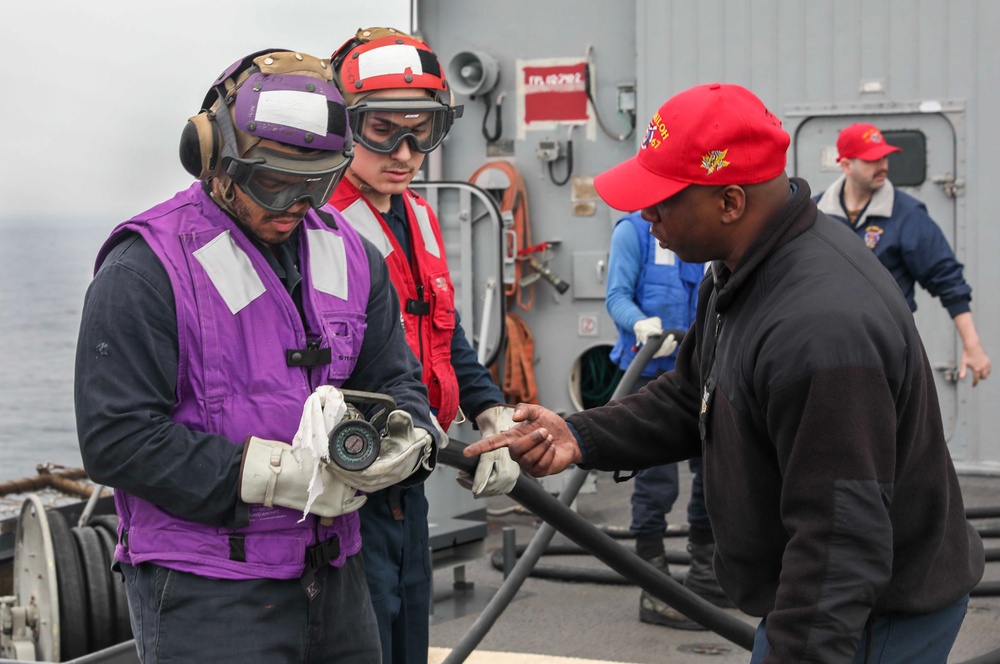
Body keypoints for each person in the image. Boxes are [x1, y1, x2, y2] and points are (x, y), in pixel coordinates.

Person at [464, 83, 985, 663]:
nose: (645, 214)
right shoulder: (739, 271)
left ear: (730, 203)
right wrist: (579, 434)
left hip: (870, 618)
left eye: (662, 199)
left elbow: (841, 541)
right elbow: (692, 398)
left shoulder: (822, 329)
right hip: (820, 596)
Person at [75, 48, 446, 664]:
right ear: (213, 157)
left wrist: (404, 441)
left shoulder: (354, 257)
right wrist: (273, 476)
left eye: (318, 181)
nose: (295, 205)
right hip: (208, 590)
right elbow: (116, 439)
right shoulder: (144, 271)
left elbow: (395, 383)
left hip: (338, 575)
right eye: (273, 182)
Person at [327, 27, 520, 664]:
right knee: (366, 637)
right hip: (352, 485)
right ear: (343, 124)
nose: (407, 152)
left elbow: (442, 328)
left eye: (423, 130)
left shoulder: (417, 214)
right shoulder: (318, 225)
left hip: (414, 473)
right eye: (384, 131)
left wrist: (490, 410)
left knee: (410, 632)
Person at [606, 211, 729, 629]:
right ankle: (654, 585)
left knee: (713, 467)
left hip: (698, 369)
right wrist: (640, 324)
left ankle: (706, 575)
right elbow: (617, 294)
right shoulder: (633, 232)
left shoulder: (695, 228)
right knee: (656, 478)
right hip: (648, 365)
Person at [814, 122, 991, 385]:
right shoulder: (815, 213)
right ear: (846, 165)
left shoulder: (907, 215)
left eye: (884, 156)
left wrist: (972, 345)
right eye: (872, 159)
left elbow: (947, 279)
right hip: (825, 351)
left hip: (887, 350)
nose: (883, 165)